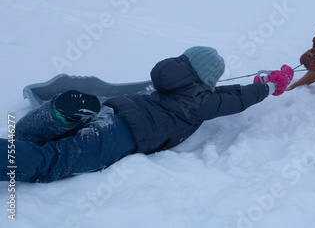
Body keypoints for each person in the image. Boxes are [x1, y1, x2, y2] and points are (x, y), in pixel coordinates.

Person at [0, 47, 293, 183]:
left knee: (28, 138)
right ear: (205, 79)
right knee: (52, 162)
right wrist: (268, 87)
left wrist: (255, 84)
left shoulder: (172, 84)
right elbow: (234, 102)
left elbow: (222, 97)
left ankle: (56, 116)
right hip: (122, 134)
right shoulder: (197, 102)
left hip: (114, 108)